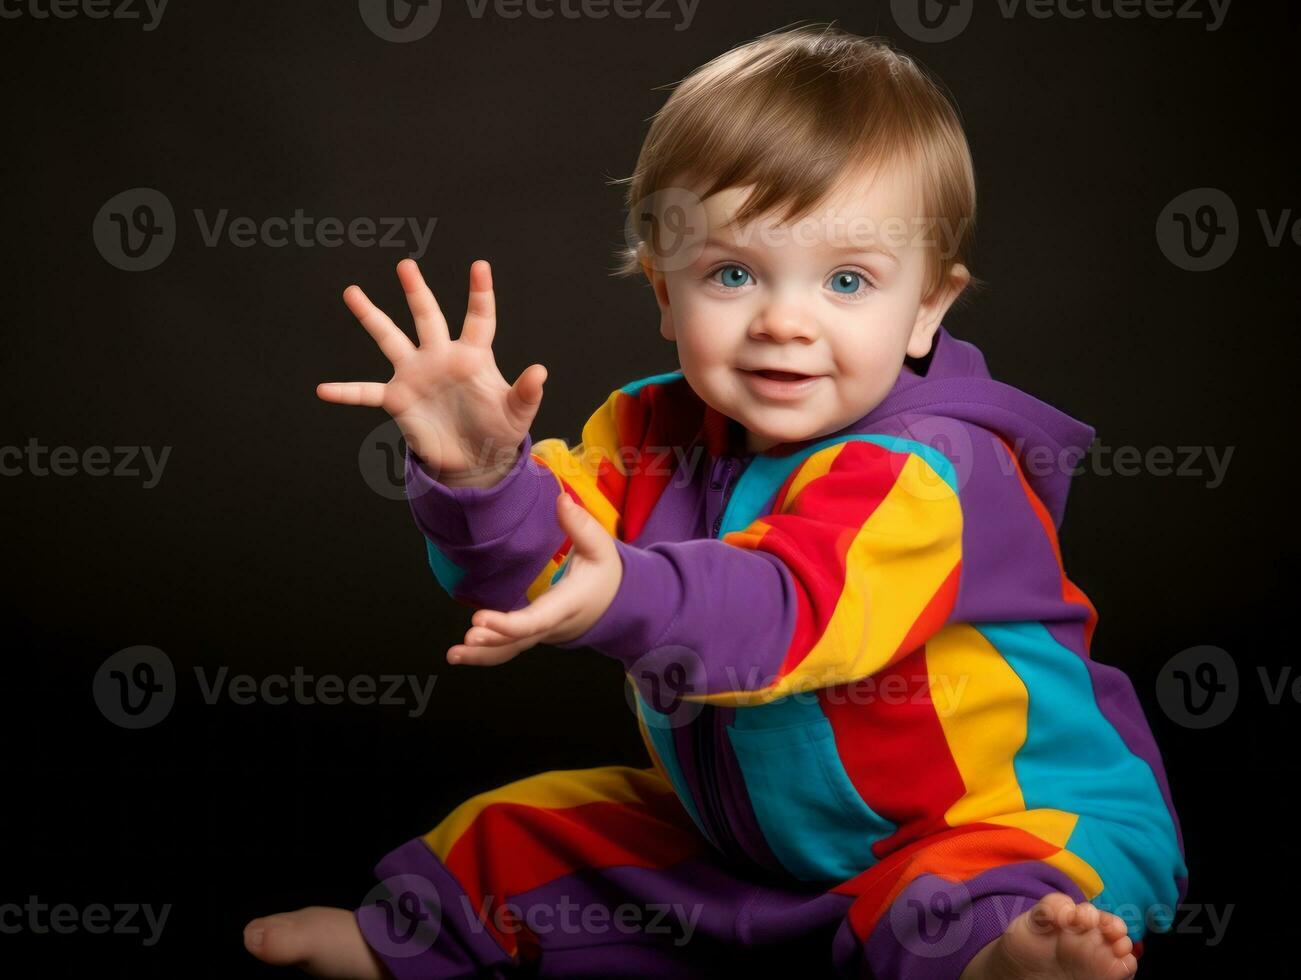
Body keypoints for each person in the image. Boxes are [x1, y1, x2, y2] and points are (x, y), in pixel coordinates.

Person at [245, 25, 1186, 979]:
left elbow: (786, 607)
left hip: (1003, 824)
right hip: (756, 843)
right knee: (520, 831)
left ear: (927, 309)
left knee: (960, 897)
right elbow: (524, 574)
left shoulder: (939, 466)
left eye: (847, 280)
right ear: (664, 291)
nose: (783, 319)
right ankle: (402, 940)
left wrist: (615, 597)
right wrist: (483, 478)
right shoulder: (645, 432)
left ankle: (1004, 959)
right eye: (732, 274)